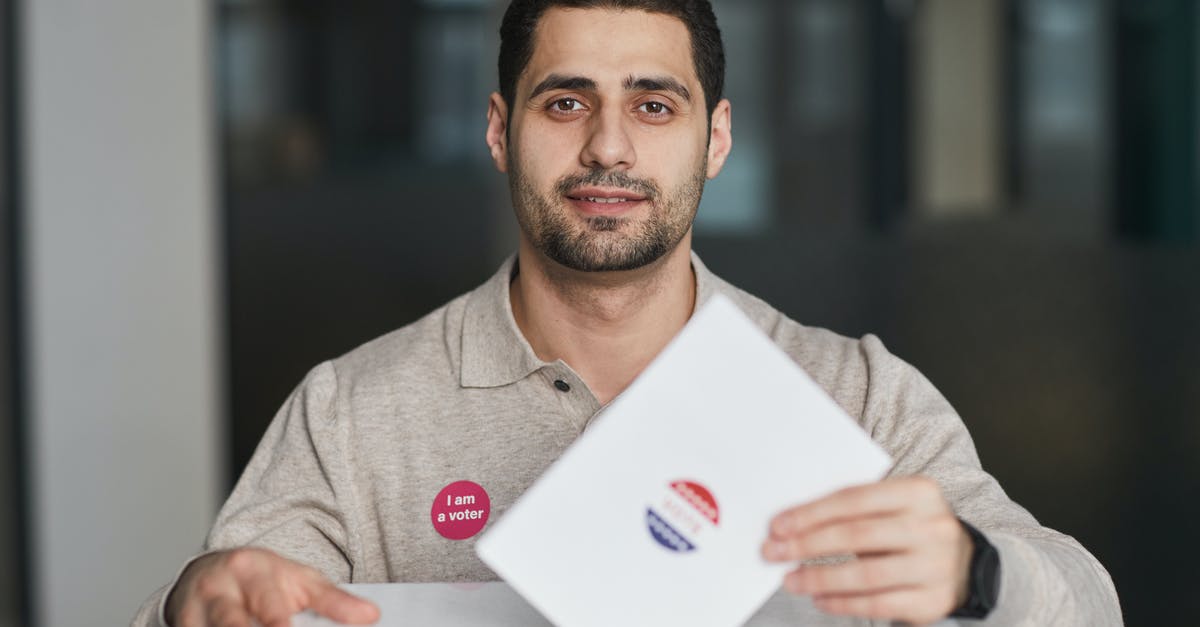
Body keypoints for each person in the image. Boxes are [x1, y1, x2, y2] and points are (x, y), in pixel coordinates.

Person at [134, 1, 1123, 625]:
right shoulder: (349, 411)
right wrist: (196, 602)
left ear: (716, 137)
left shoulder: (849, 391)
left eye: (654, 105)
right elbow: (237, 596)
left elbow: (1088, 605)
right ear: (498, 129)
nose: (609, 147)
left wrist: (975, 576)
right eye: (566, 103)